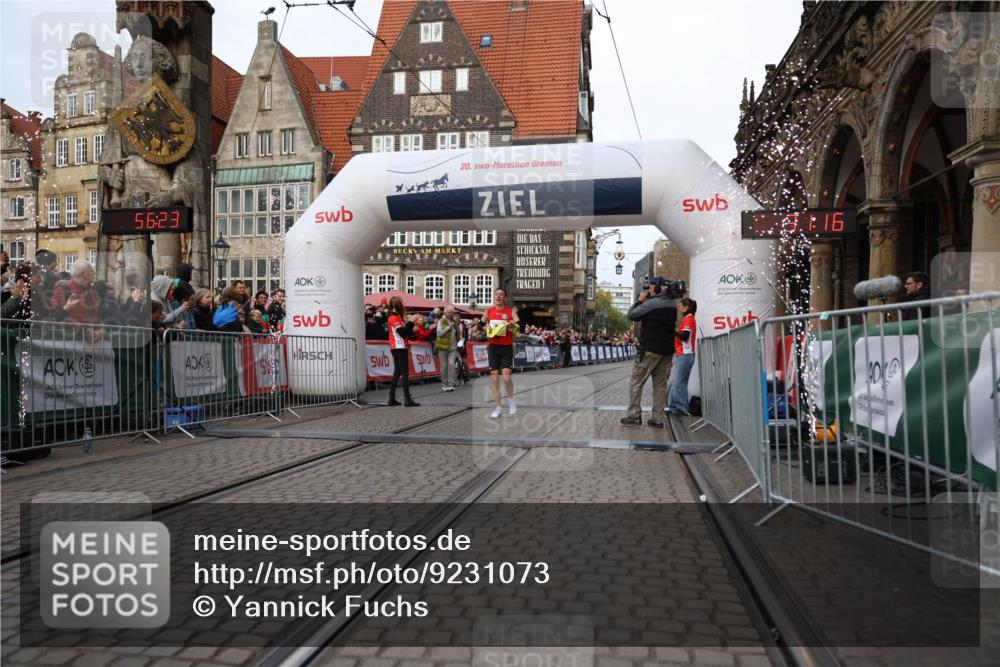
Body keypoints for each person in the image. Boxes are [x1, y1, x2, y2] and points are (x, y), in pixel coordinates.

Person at [621, 277, 677, 428]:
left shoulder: (651, 304)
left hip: (651, 350)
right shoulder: (672, 304)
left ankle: (634, 415)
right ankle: (657, 419)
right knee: (660, 386)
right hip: (667, 351)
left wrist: (640, 300)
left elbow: (631, 315)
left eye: (651, 287)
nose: (649, 290)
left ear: (657, 288)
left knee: (636, 382)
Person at [485, 287, 519, 418]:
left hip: (506, 347)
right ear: (494, 297)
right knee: (494, 377)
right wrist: (485, 327)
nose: (498, 296)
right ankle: (498, 408)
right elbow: (480, 325)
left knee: (506, 377)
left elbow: (517, 328)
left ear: (504, 297)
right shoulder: (488, 311)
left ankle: (511, 401)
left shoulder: (511, 311)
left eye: (501, 295)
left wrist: (512, 324)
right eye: (497, 294)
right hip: (493, 347)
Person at [386, 295, 419, 407]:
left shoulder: (397, 317)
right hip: (399, 347)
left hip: (398, 346)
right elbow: (402, 333)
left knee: (398, 372)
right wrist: (411, 322)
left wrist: (411, 326)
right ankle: (407, 399)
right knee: (404, 373)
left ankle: (391, 398)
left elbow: (405, 332)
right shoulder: (393, 318)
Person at [667, 298, 697, 416]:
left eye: (681, 305)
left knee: (679, 382)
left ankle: (680, 407)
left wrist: (672, 331)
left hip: (685, 354)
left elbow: (685, 336)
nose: (679, 307)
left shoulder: (689, 319)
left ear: (687, 307)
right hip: (684, 354)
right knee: (679, 381)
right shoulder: (688, 318)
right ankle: (676, 406)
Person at [50, 260, 101, 325]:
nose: (94, 272)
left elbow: (98, 315)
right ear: (82, 273)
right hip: (74, 334)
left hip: (95, 333)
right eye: (91, 270)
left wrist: (101, 330)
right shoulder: (63, 290)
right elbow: (54, 316)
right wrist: (66, 309)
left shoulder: (93, 291)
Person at [436, 306, 461, 392]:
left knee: (451, 365)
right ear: (445, 313)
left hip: (453, 348)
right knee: (444, 366)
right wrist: (448, 327)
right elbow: (439, 334)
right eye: (449, 312)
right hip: (442, 347)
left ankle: (451, 384)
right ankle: (444, 384)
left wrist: (459, 340)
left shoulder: (455, 322)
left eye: (452, 313)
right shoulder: (441, 321)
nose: (451, 314)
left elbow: (457, 333)